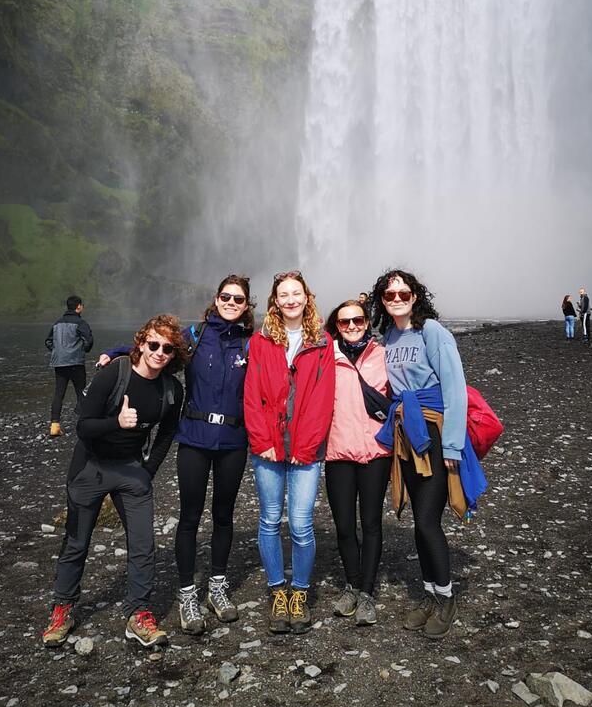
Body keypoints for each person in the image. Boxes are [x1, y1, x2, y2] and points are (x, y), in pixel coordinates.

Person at [97, 276, 254, 635]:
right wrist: (119, 351)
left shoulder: (251, 342)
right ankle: (187, 593)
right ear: (216, 299)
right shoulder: (194, 337)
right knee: (189, 517)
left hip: (233, 439)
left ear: (247, 306)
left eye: (239, 299)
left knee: (224, 515)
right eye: (226, 296)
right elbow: (154, 347)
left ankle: (216, 586)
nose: (231, 302)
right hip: (195, 439)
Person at [41, 315, 186, 649]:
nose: (159, 352)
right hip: (90, 466)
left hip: (131, 470)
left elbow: (166, 434)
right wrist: (117, 423)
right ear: (141, 342)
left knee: (143, 543)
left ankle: (138, 614)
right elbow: (83, 426)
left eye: (167, 348)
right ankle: (63, 609)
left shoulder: (171, 390)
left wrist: (147, 472)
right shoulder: (115, 374)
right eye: (153, 344)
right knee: (77, 541)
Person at [370, 268, 486, 640]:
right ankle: (429, 591)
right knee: (419, 523)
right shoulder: (388, 334)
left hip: (434, 432)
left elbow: (455, 388)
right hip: (407, 431)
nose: (397, 299)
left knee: (427, 520)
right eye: (390, 296)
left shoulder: (432, 331)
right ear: (382, 301)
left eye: (404, 293)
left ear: (416, 296)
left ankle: (446, 598)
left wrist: (452, 444)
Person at [243, 271, 336, 634]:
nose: (291, 300)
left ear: (306, 298)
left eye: (296, 293)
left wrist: (306, 446)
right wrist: (261, 441)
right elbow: (251, 396)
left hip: (305, 452)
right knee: (268, 520)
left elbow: (322, 399)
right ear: (275, 301)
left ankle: (299, 591)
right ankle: (276, 590)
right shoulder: (261, 342)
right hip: (267, 447)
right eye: (284, 295)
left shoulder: (322, 342)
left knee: (300, 524)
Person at [324, 299, 392, 626]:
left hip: (375, 452)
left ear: (367, 322)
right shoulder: (326, 358)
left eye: (358, 320)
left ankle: (366, 592)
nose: (352, 326)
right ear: (335, 326)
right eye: (345, 322)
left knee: (371, 523)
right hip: (337, 451)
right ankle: (351, 583)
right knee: (344, 525)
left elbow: (405, 393)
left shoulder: (383, 355)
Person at [45, 294, 94, 437]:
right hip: (76, 362)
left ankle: (54, 425)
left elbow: (48, 341)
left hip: (59, 363)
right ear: (78, 306)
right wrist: (83, 349)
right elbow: (89, 340)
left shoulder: (57, 323)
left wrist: (58, 351)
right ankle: (84, 424)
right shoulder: (81, 323)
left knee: (59, 394)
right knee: (81, 392)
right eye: (82, 305)